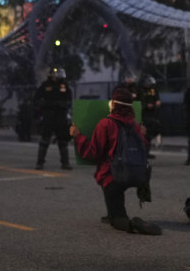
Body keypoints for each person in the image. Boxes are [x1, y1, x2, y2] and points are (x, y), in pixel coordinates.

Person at [69, 86, 161, 234]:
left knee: (117, 216)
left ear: (114, 104)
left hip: (113, 175)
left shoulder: (106, 123)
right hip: (135, 173)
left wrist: (78, 136)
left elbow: (92, 152)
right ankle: (112, 211)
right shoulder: (135, 125)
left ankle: (130, 223)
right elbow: (143, 148)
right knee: (115, 198)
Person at [34, 67, 73, 170]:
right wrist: (43, 106)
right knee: (45, 140)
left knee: (63, 140)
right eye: (57, 74)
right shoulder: (45, 85)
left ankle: (65, 163)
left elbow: (69, 100)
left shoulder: (64, 85)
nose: (58, 76)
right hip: (49, 115)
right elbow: (37, 99)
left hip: (61, 116)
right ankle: (40, 163)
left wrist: (64, 105)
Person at [138, 75, 163, 158]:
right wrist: (146, 105)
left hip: (153, 114)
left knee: (151, 133)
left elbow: (157, 99)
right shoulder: (140, 90)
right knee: (144, 134)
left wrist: (156, 104)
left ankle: (146, 152)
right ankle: (143, 152)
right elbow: (139, 101)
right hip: (144, 114)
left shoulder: (153, 90)